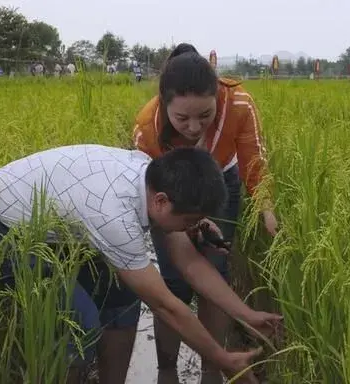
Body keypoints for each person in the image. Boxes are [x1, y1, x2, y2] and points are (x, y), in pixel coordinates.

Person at [0, 144, 282, 384]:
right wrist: (221, 357)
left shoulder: (149, 177)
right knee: (81, 322)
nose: (190, 228)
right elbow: (165, 306)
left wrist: (247, 314)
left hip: (48, 227)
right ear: (161, 201)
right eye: (189, 220)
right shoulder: (114, 215)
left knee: (122, 295)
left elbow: (190, 263)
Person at [132, 43, 279, 384]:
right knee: (173, 279)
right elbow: (155, 197)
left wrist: (265, 207)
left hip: (219, 179)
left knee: (216, 265)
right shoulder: (147, 127)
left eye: (205, 116)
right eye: (182, 118)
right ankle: (166, 369)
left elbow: (254, 160)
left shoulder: (239, 104)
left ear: (217, 97)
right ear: (164, 103)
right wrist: (185, 228)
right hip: (170, 186)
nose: (195, 127)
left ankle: (213, 369)